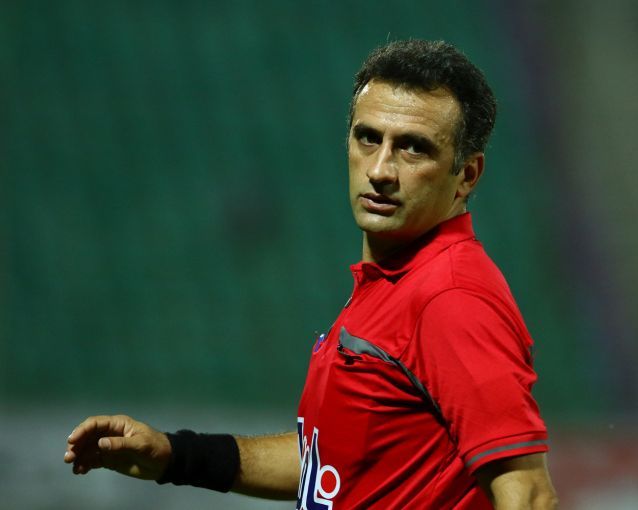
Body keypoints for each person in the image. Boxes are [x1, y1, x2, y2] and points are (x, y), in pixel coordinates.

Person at [64, 39, 558, 509]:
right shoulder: (394, 281)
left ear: (467, 175)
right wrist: (177, 455)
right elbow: (330, 464)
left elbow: (529, 495)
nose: (380, 170)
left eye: (413, 148)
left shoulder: (450, 297)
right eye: (368, 138)